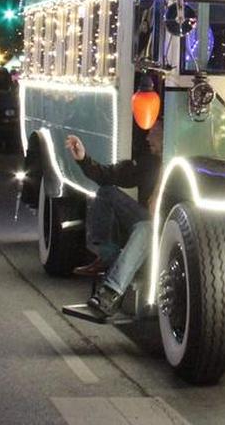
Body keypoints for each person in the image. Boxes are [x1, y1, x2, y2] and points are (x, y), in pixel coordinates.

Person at [67, 126, 159, 321]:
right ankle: (107, 255)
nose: (148, 136)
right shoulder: (148, 162)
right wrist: (83, 159)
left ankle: (110, 294)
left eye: (155, 131)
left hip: (170, 228)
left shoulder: (183, 164)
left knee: (147, 228)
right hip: (149, 219)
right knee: (107, 192)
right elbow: (109, 174)